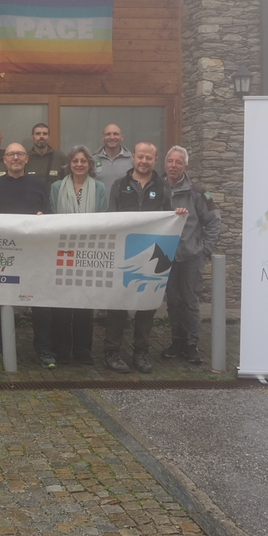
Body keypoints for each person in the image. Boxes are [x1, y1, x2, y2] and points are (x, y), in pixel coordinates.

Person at [104, 141, 184, 374]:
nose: (144, 161)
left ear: (155, 160)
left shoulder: (163, 188)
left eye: (149, 157)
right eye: (140, 156)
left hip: (151, 255)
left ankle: (141, 352)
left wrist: (177, 215)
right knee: (117, 304)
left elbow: (169, 219)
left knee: (146, 307)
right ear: (133, 157)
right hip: (123, 253)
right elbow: (110, 219)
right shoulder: (119, 185)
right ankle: (112, 352)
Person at [0, 142, 52, 368]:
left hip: (33, 253)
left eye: (20, 154)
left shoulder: (39, 185)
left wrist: (43, 217)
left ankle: (43, 349)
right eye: (11, 154)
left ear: (26, 159)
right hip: (3, 252)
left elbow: (49, 215)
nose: (15, 158)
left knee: (39, 300)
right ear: (5, 159)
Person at [48, 145, 109, 365]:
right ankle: (62, 349)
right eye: (75, 161)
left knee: (84, 301)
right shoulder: (56, 187)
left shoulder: (99, 188)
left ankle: (83, 350)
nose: (79, 164)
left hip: (88, 251)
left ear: (90, 164)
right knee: (62, 302)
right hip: (63, 250)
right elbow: (53, 216)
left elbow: (103, 217)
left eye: (83, 161)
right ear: (69, 164)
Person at [162, 145, 221, 365]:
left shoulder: (198, 192)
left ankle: (191, 344)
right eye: (170, 161)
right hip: (167, 256)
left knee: (190, 302)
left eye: (178, 162)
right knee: (173, 302)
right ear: (165, 164)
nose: (173, 166)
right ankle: (176, 341)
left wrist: (205, 249)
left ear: (185, 166)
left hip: (191, 256)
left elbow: (214, 221)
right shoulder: (157, 188)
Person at [93, 123, 134, 192]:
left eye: (115, 134)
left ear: (122, 137)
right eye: (108, 134)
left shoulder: (132, 159)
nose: (112, 137)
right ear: (103, 138)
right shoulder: (93, 160)